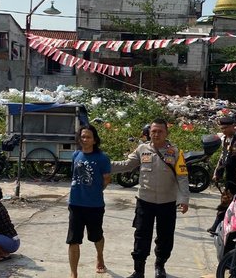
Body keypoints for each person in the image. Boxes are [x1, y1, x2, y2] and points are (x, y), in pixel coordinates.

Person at [112, 118, 190, 278]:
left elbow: (182, 177)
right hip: (144, 202)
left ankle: (159, 266)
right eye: (153, 131)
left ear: (166, 133)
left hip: (167, 203)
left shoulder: (175, 152)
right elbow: (126, 165)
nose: (156, 134)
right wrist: (104, 164)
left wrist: (184, 198)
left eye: (160, 131)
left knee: (165, 237)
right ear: (149, 133)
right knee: (141, 236)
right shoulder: (142, 149)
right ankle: (138, 271)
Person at [67, 124, 111, 278]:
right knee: (73, 240)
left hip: (95, 205)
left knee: (96, 236)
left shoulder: (102, 158)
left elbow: (106, 179)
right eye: (83, 136)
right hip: (75, 204)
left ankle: (100, 256)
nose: (85, 139)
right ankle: (74, 273)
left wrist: (94, 192)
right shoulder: (75, 155)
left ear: (94, 140)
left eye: (88, 137)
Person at [207, 116, 236, 235]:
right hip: (228, 176)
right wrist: (217, 173)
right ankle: (223, 226)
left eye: (225, 128)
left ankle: (217, 226)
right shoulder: (226, 139)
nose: (223, 130)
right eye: (222, 128)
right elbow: (223, 157)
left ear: (232, 126)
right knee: (228, 201)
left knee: (230, 202)